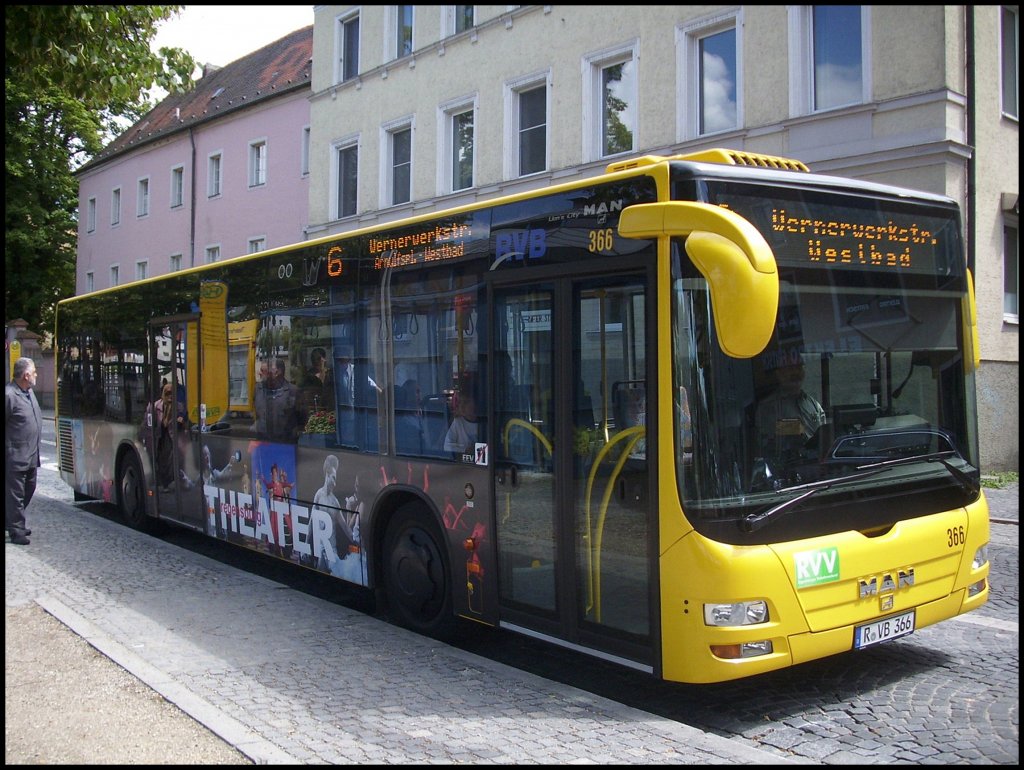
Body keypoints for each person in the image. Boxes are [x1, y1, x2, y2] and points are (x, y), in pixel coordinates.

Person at [754, 359, 825, 460]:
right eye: (791, 368)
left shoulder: (813, 404)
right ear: (778, 373)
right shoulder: (767, 407)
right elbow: (765, 441)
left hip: (815, 465)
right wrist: (796, 429)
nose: (796, 373)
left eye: (799, 367)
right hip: (785, 466)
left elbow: (823, 436)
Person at [6, 357, 43, 545]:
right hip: (15, 456)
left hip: (31, 455)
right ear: (26, 375)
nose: (36, 374)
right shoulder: (9, 395)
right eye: (34, 371)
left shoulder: (28, 392)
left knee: (29, 489)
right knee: (15, 495)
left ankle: (12, 521)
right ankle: (16, 529)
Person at [144, 381, 189, 490]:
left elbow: (186, 422)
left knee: (173, 460)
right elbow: (148, 423)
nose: (169, 396)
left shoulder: (179, 406)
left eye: (171, 393)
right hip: (160, 439)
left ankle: (174, 480)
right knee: (162, 461)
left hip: (172, 438)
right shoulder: (155, 406)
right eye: (167, 393)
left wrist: (182, 421)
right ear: (163, 394)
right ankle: (164, 483)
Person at [252, 357, 302, 442]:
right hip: (262, 443)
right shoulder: (258, 389)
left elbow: (301, 418)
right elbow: (257, 414)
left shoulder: (292, 391)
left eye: (263, 370)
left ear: (277, 372)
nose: (259, 373)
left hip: (285, 444)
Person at [443, 389, 478, 456]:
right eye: (459, 403)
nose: (461, 406)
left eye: (466, 402)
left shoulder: (486, 423)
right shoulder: (458, 422)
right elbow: (447, 446)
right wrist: (465, 450)